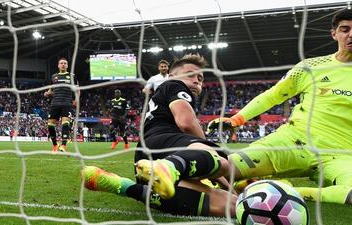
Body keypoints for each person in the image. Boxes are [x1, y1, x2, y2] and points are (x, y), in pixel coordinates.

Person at [207, 9, 352, 207]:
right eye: (344, 29)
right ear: (334, 34)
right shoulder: (310, 67)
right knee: (224, 167)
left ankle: (286, 191)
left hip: (344, 155)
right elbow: (272, 96)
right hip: (293, 141)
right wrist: (237, 119)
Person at [81, 54, 237, 217]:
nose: (197, 80)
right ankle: (169, 167)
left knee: (231, 205)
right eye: (190, 74)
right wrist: (211, 158)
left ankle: (124, 185)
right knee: (224, 163)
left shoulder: (164, 95)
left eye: (200, 78)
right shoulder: (175, 85)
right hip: (165, 142)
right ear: (171, 76)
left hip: (145, 156)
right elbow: (187, 123)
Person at [44, 57, 78, 152]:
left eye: (65, 63)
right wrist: (47, 93)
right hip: (55, 103)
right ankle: (55, 144)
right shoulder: (54, 77)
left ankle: (63, 145)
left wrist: (76, 100)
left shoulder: (72, 76)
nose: (63, 64)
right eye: (61, 63)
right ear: (58, 65)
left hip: (67, 103)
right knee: (50, 125)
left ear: (67, 65)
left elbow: (77, 90)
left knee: (65, 123)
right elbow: (51, 90)